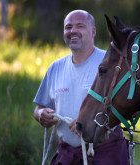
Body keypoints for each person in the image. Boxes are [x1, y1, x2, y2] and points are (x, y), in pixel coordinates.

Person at [33, 10, 129, 165]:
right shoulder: (55, 68)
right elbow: (39, 108)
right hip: (67, 154)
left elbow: (128, 108)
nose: (73, 31)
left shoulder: (111, 63)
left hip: (106, 153)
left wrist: (89, 121)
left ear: (93, 32)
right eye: (68, 27)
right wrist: (41, 114)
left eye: (80, 26)